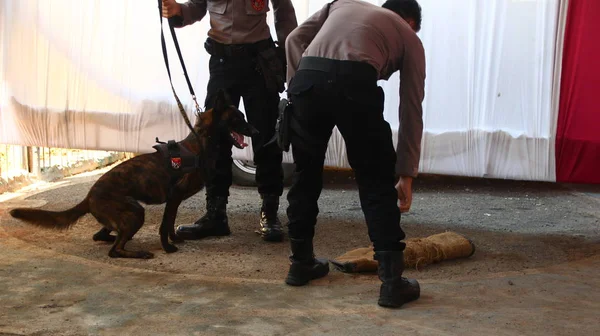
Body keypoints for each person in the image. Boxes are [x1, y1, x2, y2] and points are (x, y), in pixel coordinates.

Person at [282, 0, 425, 308]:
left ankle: (301, 263)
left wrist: (295, 92)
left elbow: (294, 39)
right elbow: (411, 109)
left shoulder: (341, 4)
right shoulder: (410, 38)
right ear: (410, 22)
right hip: (354, 83)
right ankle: (391, 283)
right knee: (374, 179)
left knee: (306, 174)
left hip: (307, 77)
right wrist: (407, 174)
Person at [161, 0, 298, 242]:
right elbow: (197, 8)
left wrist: (288, 55)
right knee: (213, 140)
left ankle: (270, 213)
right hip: (222, 62)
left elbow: (283, 12)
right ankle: (216, 215)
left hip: (259, 63)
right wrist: (179, 11)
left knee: (265, 136)